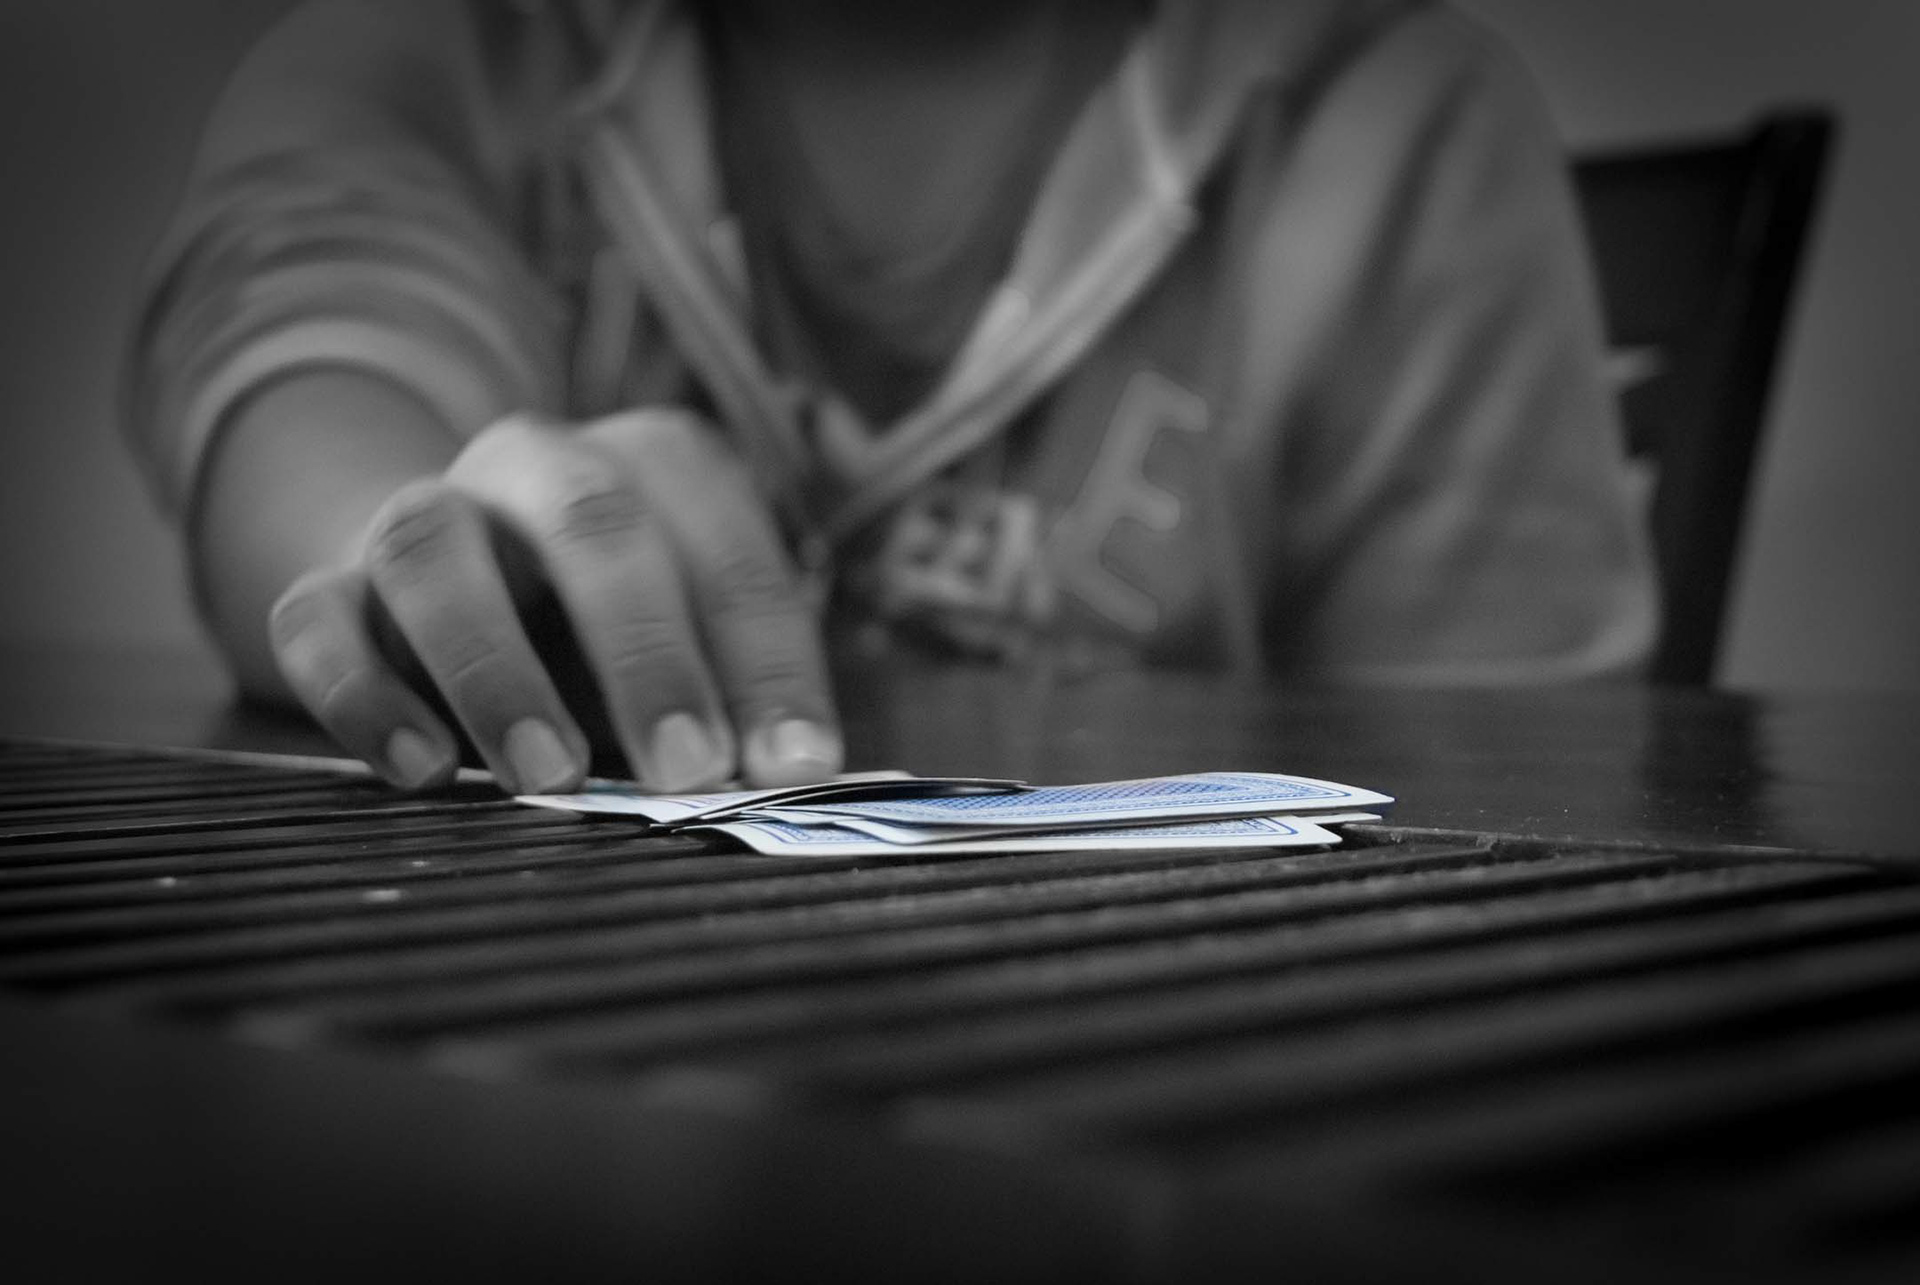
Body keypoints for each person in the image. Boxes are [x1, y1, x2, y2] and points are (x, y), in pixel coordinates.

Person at [124, 0, 1657, 797]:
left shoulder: (1396, 112)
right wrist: (424, 552)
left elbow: (1518, 801)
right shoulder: (438, 48)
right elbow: (310, 344)